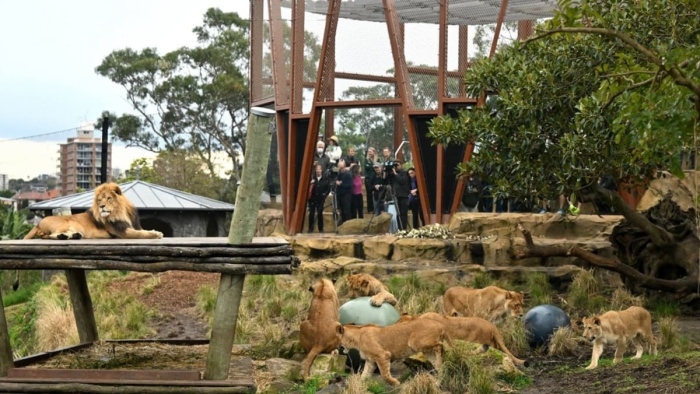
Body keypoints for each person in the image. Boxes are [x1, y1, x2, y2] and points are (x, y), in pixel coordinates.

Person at [308, 164, 330, 233]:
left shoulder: (324, 180)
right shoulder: (312, 179)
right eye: (317, 169)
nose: (318, 171)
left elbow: (328, 189)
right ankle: (310, 228)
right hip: (312, 199)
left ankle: (320, 228)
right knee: (311, 214)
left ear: (321, 170)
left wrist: (324, 195)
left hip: (320, 200)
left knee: (320, 214)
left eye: (319, 169)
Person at [389, 161, 410, 231]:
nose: (396, 167)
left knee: (403, 213)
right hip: (396, 196)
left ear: (401, 165)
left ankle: (403, 228)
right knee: (398, 213)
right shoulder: (392, 174)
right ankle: (399, 228)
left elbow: (403, 181)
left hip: (403, 196)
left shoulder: (404, 172)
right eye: (395, 165)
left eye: (397, 165)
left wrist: (395, 174)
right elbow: (387, 181)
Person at [334, 159, 353, 225]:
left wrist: (341, 184)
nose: (341, 169)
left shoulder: (348, 175)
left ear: (344, 166)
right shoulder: (338, 174)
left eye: (342, 167)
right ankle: (343, 223)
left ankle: (348, 225)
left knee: (346, 211)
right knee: (341, 211)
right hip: (339, 194)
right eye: (339, 167)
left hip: (346, 195)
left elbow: (349, 185)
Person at [364, 147, 380, 213]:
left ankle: (376, 208)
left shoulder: (377, 159)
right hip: (368, 178)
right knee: (369, 194)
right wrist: (373, 165)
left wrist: (372, 164)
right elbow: (366, 167)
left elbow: (379, 166)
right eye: (368, 151)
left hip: (375, 178)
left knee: (377, 193)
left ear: (374, 152)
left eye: (371, 151)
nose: (369, 153)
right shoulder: (366, 160)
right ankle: (370, 209)